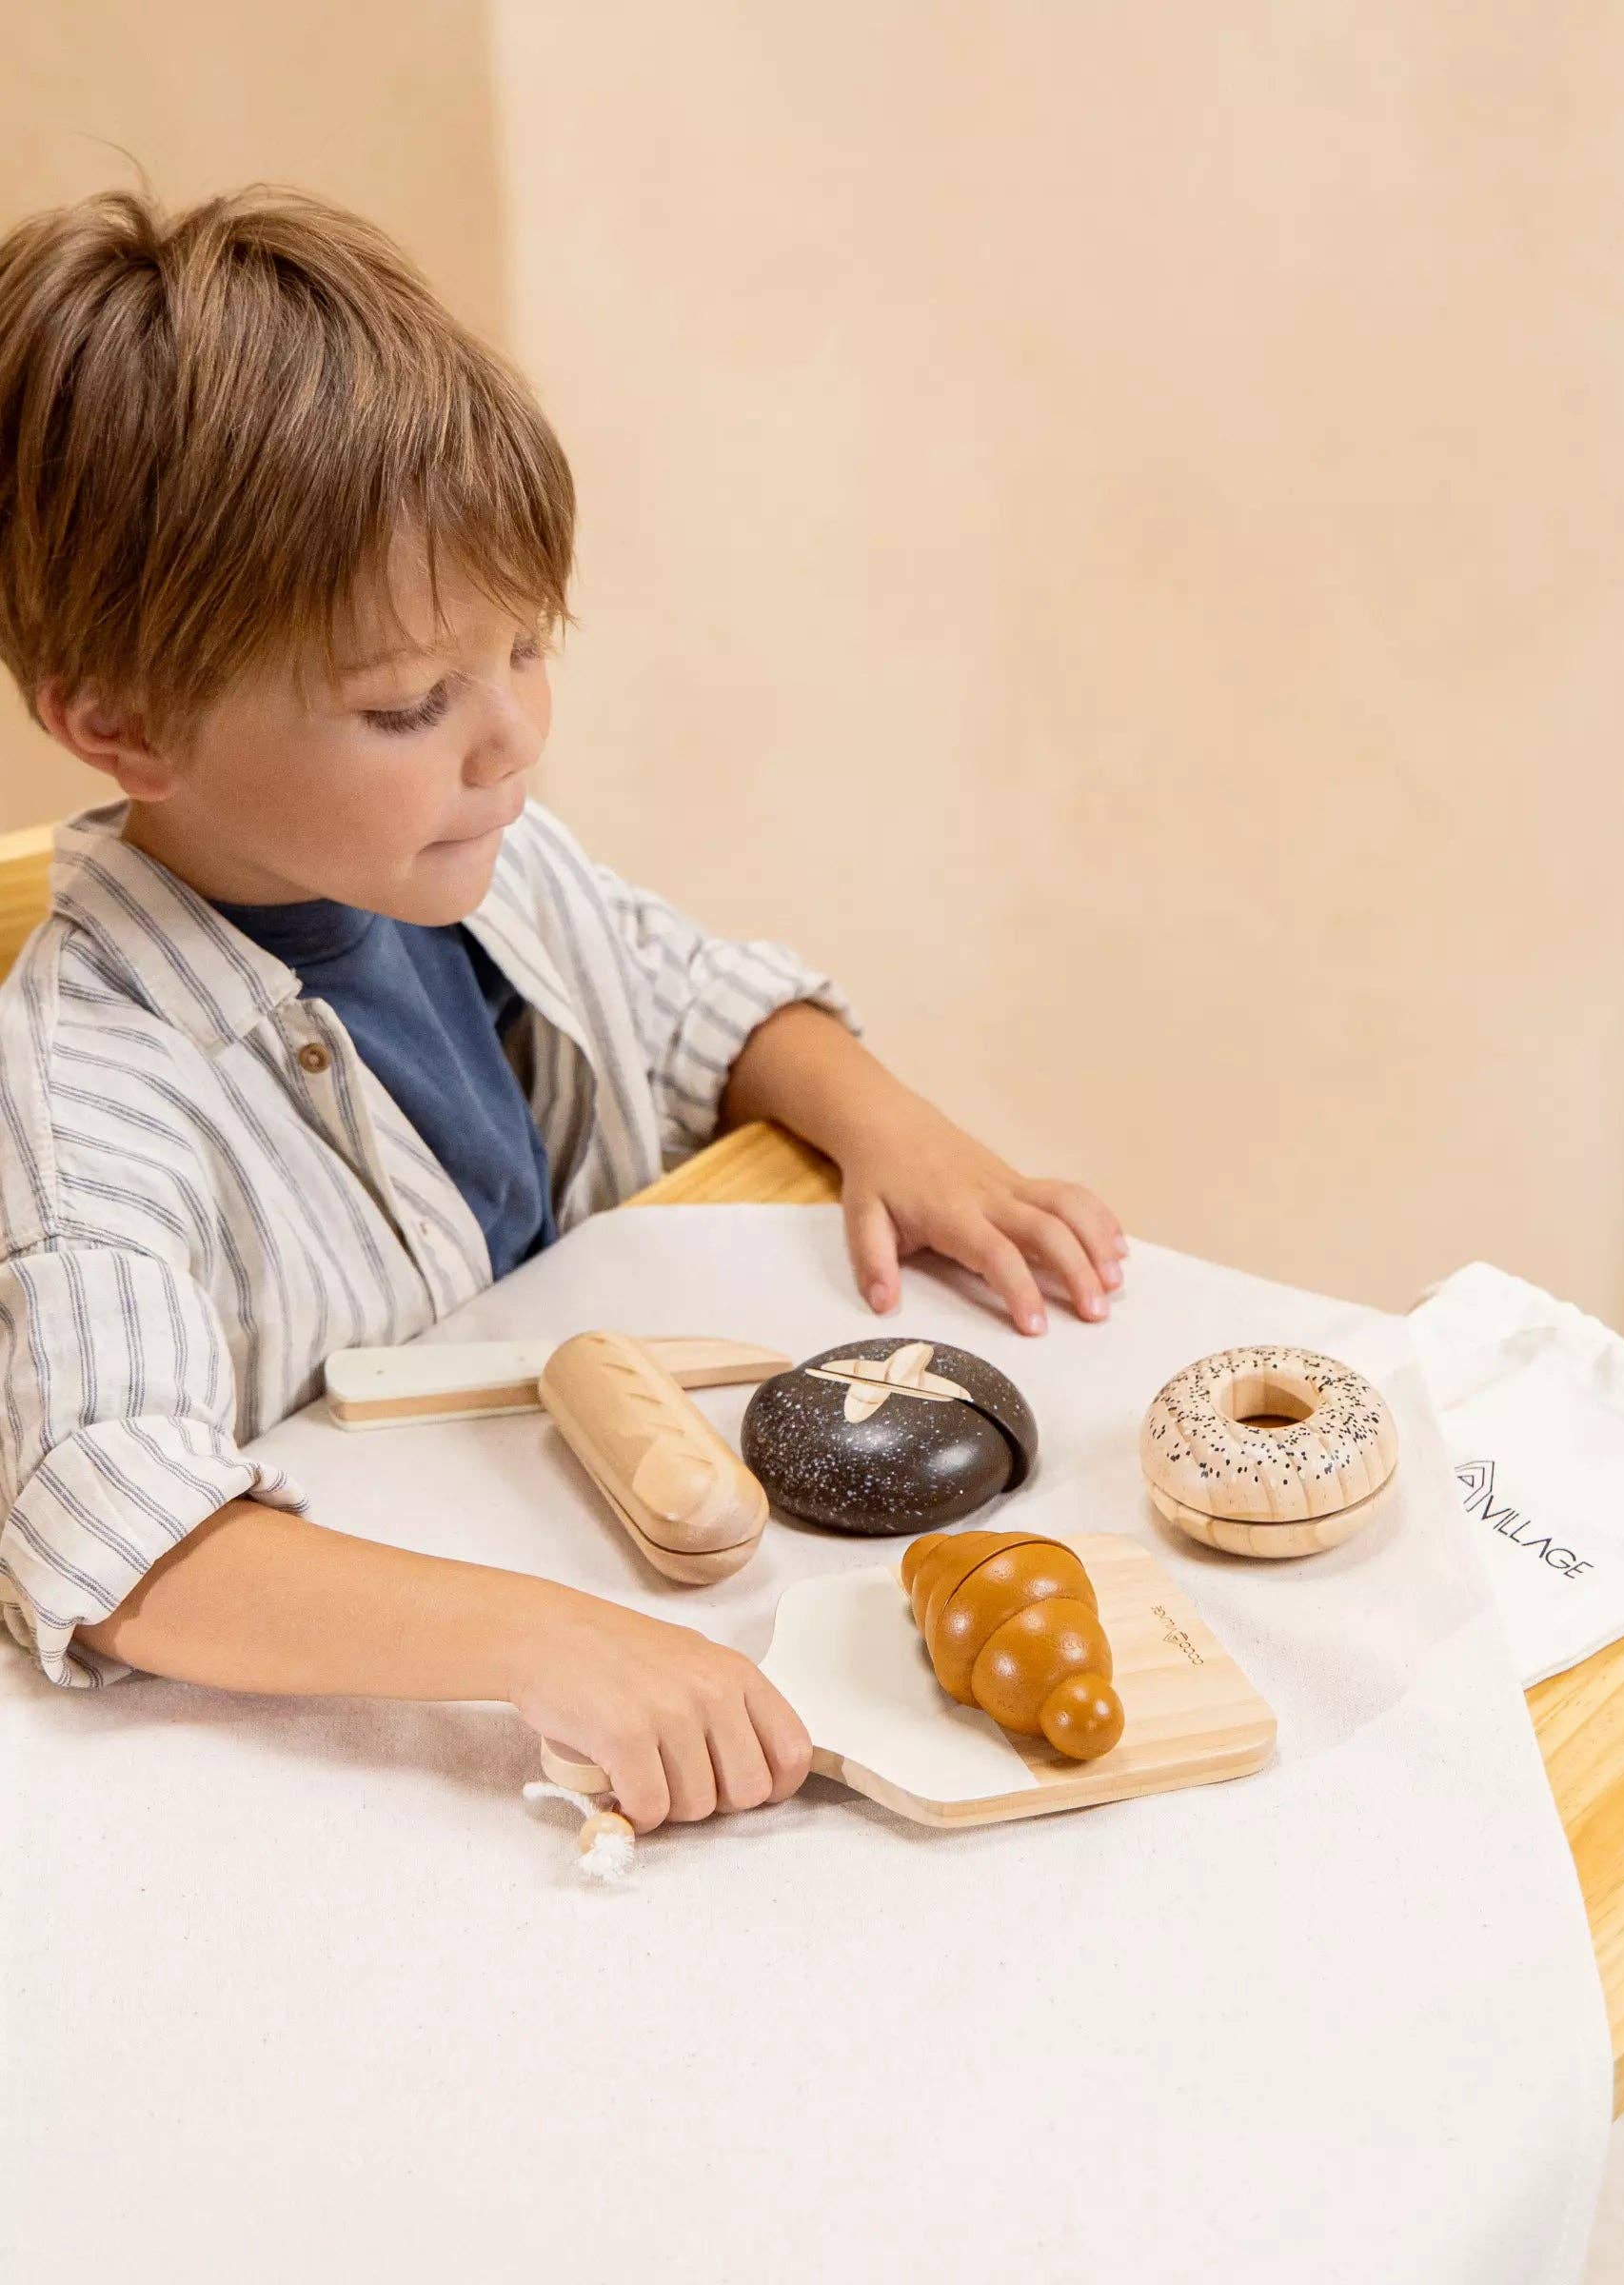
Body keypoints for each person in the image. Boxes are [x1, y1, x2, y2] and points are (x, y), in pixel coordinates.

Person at [0, 184, 1126, 1832]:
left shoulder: (480, 860)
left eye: (529, 648)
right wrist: (542, 1643)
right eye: (408, 702)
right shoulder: (84, 1093)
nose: (510, 738)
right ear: (127, 725)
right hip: (369, 1736)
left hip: (630, 1555)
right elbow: (118, 1536)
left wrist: (888, 1123)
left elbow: (687, 998)